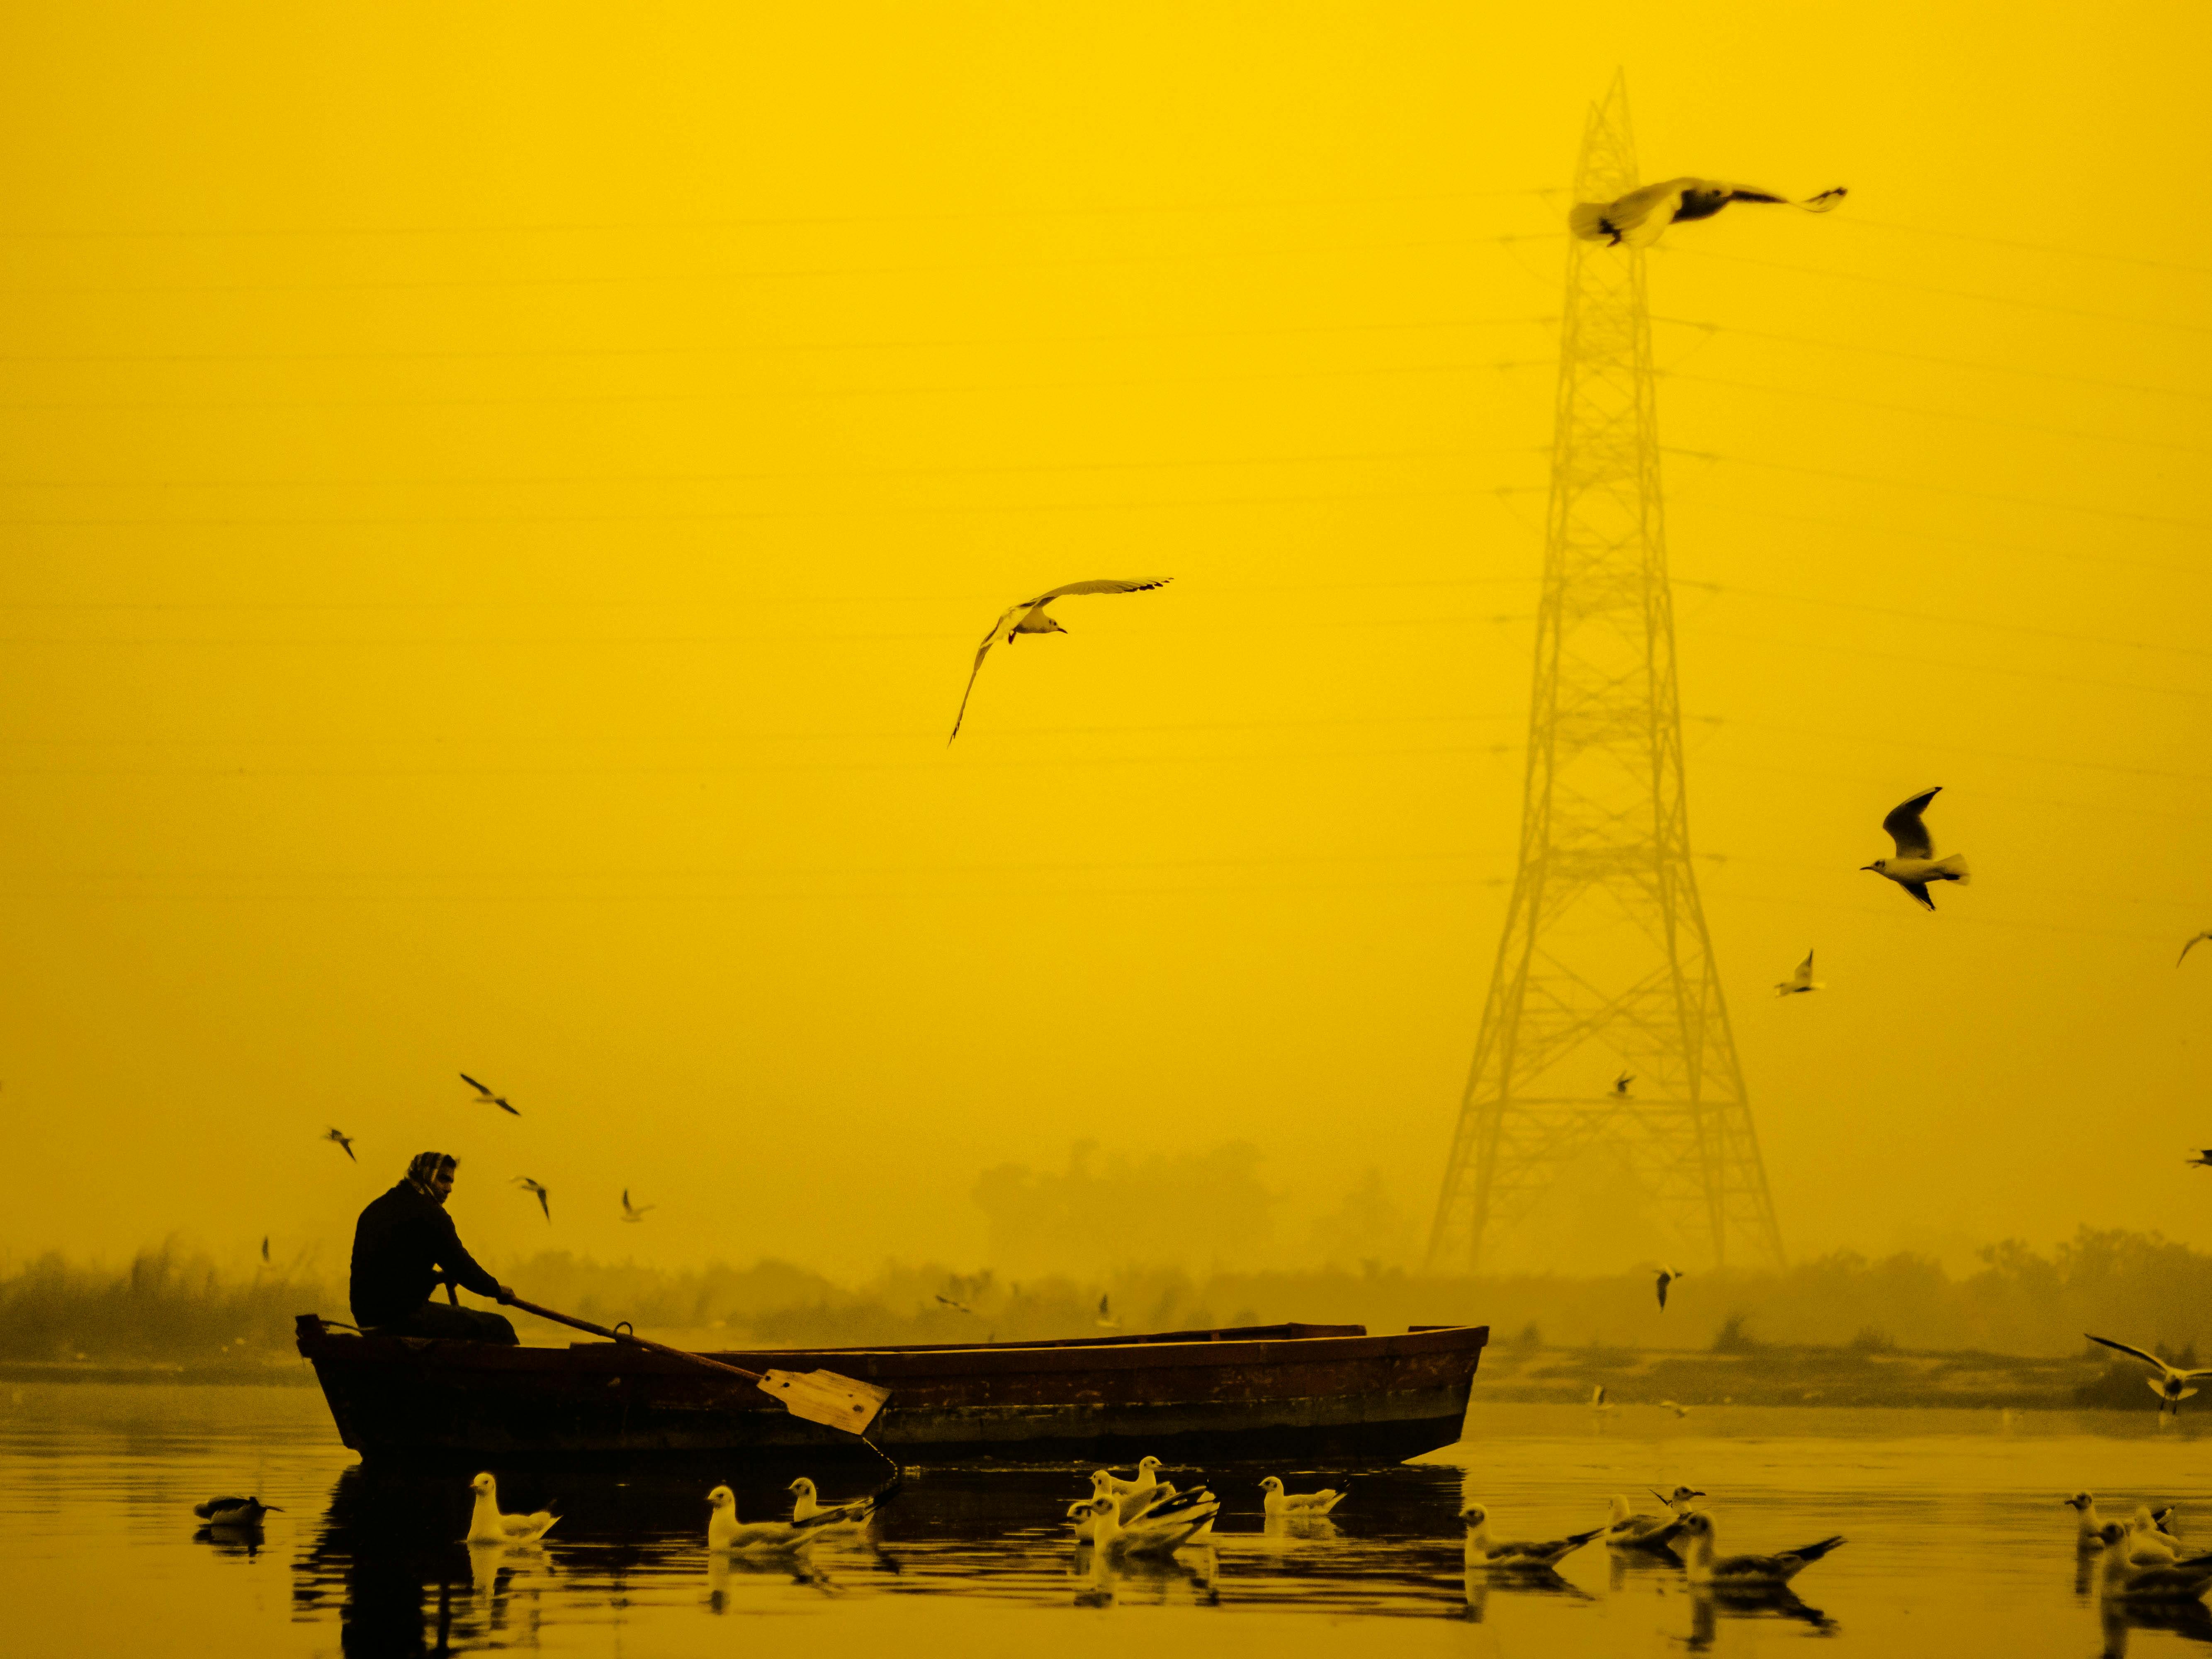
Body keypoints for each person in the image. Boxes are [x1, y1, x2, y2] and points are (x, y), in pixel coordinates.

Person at [349, 1151, 520, 1343]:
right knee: (499, 1327)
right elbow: (462, 1267)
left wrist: (437, 1277)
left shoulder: (375, 1209)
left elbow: (392, 1270)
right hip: (400, 1317)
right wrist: (496, 1290)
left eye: (451, 1182)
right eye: (443, 1180)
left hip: (366, 1317)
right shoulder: (431, 1215)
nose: (449, 1189)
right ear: (426, 1176)